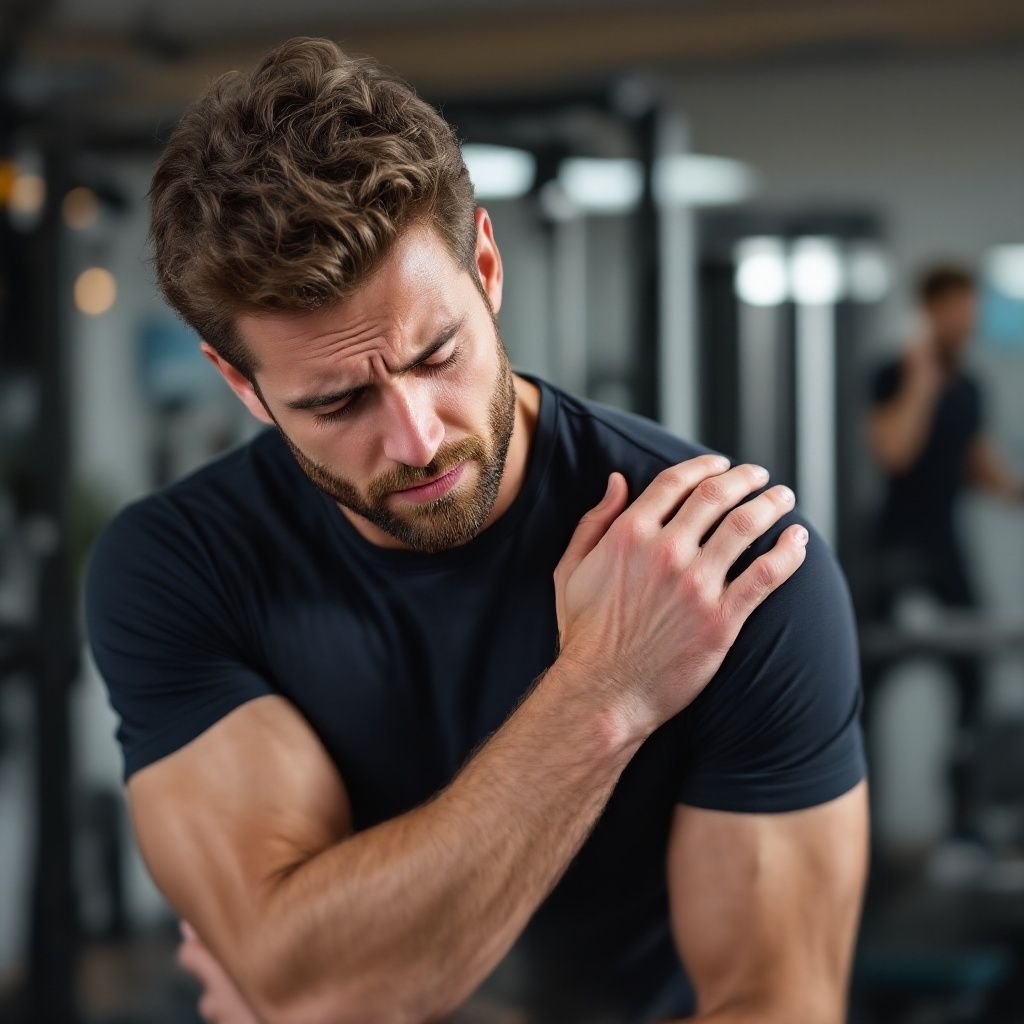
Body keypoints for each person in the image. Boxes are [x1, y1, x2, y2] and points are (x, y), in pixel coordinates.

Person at [85, 38, 868, 1024]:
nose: (416, 437)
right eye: (336, 402)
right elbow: (317, 983)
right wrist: (603, 693)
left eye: (437, 352)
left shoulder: (725, 565)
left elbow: (776, 1006)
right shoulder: (182, 568)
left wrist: (333, 991)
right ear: (240, 383)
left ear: (485, 266)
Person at [866, 264, 1024, 839]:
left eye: (971, 308)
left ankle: (964, 823)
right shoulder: (894, 375)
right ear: (930, 310)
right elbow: (895, 450)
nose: (967, 320)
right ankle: (862, 823)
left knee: (973, 678)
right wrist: (921, 382)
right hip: (899, 546)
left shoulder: (972, 386)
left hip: (949, 544)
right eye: (957, 307)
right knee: (872, 678)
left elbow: (981, 467)